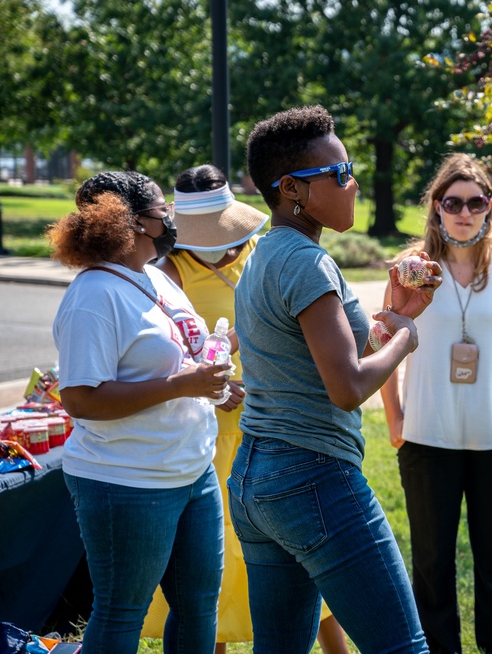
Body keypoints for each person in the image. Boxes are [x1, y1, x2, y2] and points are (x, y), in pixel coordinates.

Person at [228, 105, 440, 654]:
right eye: (342, 173)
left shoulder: (265, 253)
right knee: (403, 647)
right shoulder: (306, 262)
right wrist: (405, 339)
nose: (355, 184)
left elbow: (318, 354)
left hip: (256, 478)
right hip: (312, 476)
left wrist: (393, 316)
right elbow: (346, 386)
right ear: (293, 189)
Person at [140, 164, 349, 653]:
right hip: (208, 436)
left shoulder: (263, 253)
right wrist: (209, 385)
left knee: (300, 554)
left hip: (274, 421)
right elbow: (163, 354)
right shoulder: (168, 272)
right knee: (217, 562)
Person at [47, 171, 229, 653]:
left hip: (192, 471)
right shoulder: (93, 297)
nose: (170, 219)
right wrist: (182, 384)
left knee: (197, 606)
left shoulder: (153, 276)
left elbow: (173, 361)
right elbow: (81, 400)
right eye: (161, 211)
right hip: (126, 481)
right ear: (129, 223)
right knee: (122, 612)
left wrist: (206, 383)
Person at [379, 154, 492, 654]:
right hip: (427, 436)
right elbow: (383, 342)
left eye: (475, 202)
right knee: (431, 562)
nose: (464, 212)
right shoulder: (412, 269)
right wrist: (395, 418)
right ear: (437, 206)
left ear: (489, 207)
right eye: (453, 202)